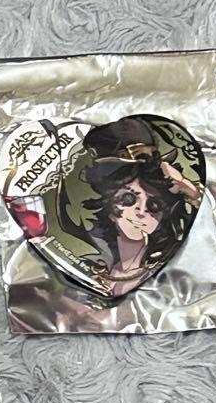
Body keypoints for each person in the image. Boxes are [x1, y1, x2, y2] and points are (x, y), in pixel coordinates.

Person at [69, 118, 202, 295]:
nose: (141, 211)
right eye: (128, 198)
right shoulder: (95, 265)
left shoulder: (169, 266)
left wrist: (188, 188)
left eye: (155, 205)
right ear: (108, 207)